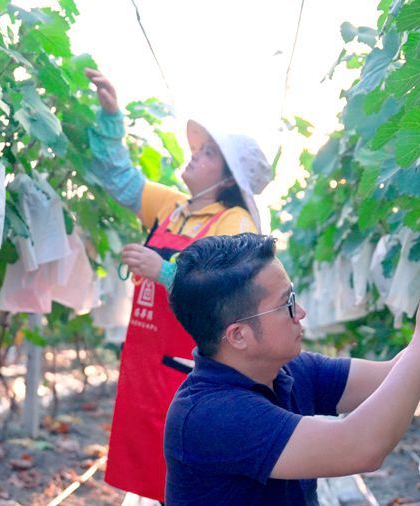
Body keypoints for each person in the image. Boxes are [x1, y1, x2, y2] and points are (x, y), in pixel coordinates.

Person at [164, 233, 420, 505]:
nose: (301, 313)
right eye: (287, 304)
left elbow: (396, 376)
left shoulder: (288, 369)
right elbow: (360, 446)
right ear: (238, 335)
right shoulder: (210, 415)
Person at [84, 68, 274, 502]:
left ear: (228, 179)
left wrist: (164, 271)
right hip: (148, 362)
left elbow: (227, 295)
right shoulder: (172, 206)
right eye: (199, 150)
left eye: (208, 154)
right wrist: (111, 116)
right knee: (155, 475)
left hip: (192, 372)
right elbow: (116, 176)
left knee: (186, 477)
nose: (195, 156)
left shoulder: (235, 222)